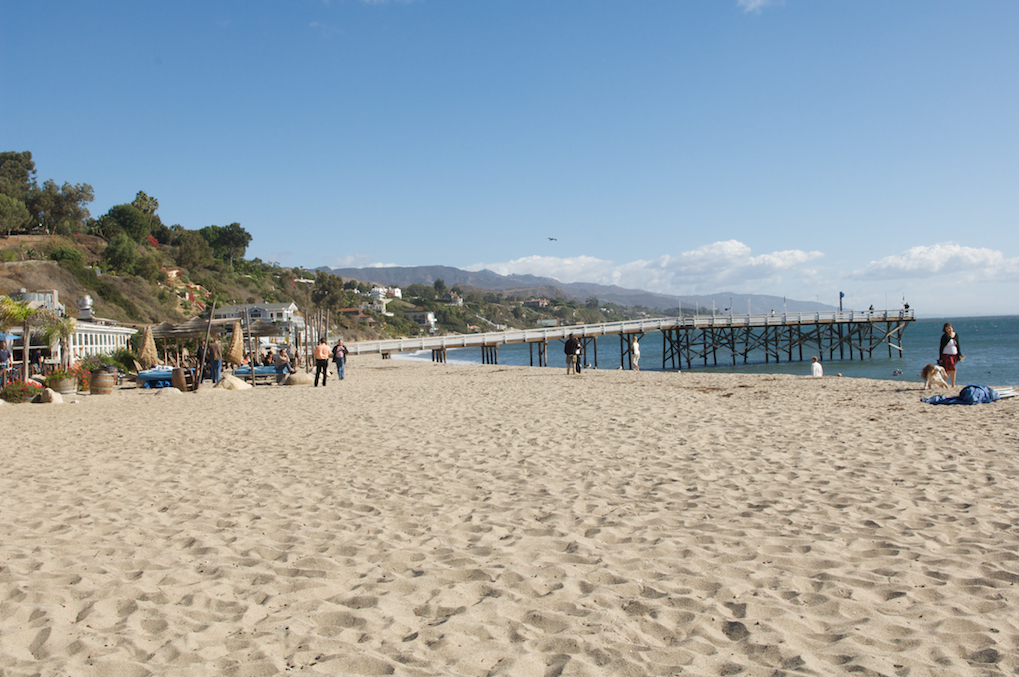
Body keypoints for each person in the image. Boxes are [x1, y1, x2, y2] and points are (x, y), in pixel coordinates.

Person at [939, 322, 964, 387]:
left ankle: (951, 384)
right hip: (946, 355)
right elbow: (941, 347)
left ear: (952, 328)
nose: (949, 330)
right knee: (952, 369)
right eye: (947, 329)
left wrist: (960, 354)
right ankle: (942, 382)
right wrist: (940, 358)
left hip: (954, 355)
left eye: (949, 328)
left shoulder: (955, 335)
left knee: (951, 370)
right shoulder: (945, 336)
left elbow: (957, 345)